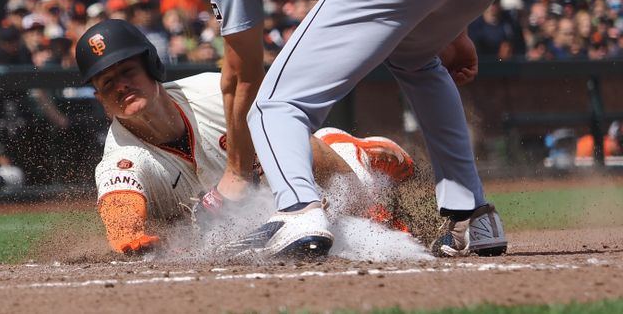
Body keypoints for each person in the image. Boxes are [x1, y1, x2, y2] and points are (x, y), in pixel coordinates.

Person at [164, 0, 508, 259]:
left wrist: (236, 173)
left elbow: (240, 74)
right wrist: (454, 28)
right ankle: (472, 217)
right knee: (418, 62)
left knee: (274, 106)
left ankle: (299, 211)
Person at [75, 19, 414, 255]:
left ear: (151, 66)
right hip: (231, 224)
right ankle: (344, 149)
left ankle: (355, 161)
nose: (120, 85)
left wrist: (369, 209)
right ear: (100, 99)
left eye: (127, 71)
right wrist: (127, 232)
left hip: (279, 192)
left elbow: (295, 140)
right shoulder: (122, 157)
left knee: (297, 152)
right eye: (107, 83)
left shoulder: (211, 92)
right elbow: (120, 197)